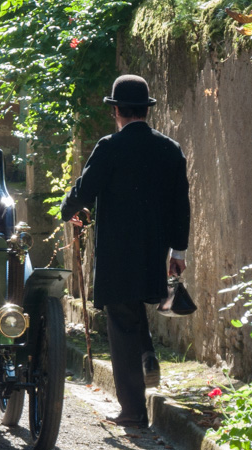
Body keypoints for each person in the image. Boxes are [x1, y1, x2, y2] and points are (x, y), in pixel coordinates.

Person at [60, 74, 191, 428]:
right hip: (154, 248)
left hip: (118, 251)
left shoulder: (109, 147)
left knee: (122, 320)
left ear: (116, 110)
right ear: (145, 111)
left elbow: (85, 190)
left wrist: (68, 209)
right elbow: (182, 204)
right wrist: (178, 251)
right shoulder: (170, 149)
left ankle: (133, 411)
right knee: (135, 310)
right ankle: (146, 354)